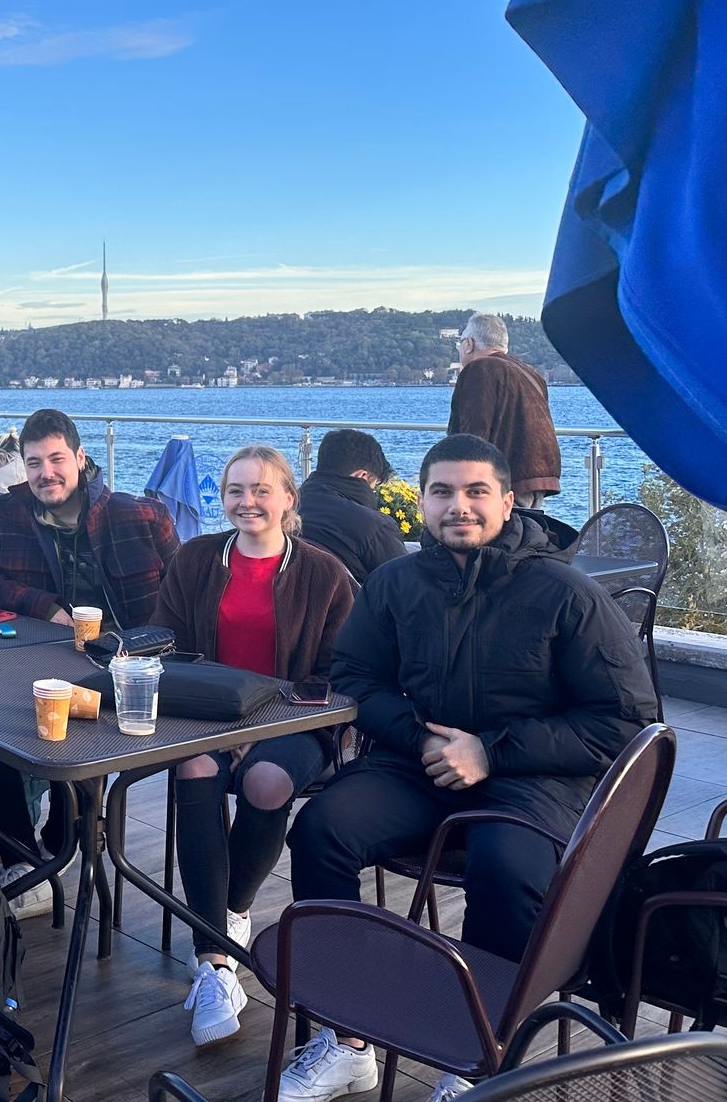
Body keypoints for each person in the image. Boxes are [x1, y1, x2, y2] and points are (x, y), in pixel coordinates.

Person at [278, 434, 657, 1102]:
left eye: (477, 491)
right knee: (320, 830)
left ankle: (485, 1055)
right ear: (420, 502)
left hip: (534, 774)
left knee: (505, 865)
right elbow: (355, 677)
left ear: (509, 501)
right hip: (418, 760)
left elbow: (625, 721)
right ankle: (347, 1036)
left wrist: (492, 751)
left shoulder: (565, 594)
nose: (460, 506)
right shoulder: (395, 583)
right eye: (443, 491)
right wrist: (420, 739)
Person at [150, 445, 354, 1045]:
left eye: (262, 490)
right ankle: (216, 959)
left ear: (289, 498)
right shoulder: (194, 560)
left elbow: (340, 671)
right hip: (207, 714)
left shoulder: (324, 572)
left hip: (295, 720)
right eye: (236, 491)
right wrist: (222, 719)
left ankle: (226, 915)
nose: (248, 502)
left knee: (266, 782)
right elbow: (171, 645)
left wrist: (261, 724)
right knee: (193, 768)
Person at [0, 409, 180, 912]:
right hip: (25, 663)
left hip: (122, 675)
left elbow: (182, 603)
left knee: (74, 758)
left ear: (81, 458)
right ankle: (19, 856)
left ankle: (65, 838)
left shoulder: (141, 516)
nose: (45, 473)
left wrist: (144, 649)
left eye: (56, 459)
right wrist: (47, 607)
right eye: (34, 463)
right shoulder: (2, 514)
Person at [448, 313, 561, 508]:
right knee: (526, 536)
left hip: (504, 477)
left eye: (460, 342)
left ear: (469, 344)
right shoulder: (530, 373)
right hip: (539, 476)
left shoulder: (479, 369)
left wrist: (457, 482)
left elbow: (472, 434)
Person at [296, 428, 409, 586]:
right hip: (346, 608)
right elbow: (406, 589)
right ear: (362, 476)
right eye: (373, 487)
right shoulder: (374, 527)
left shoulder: (285, 509)